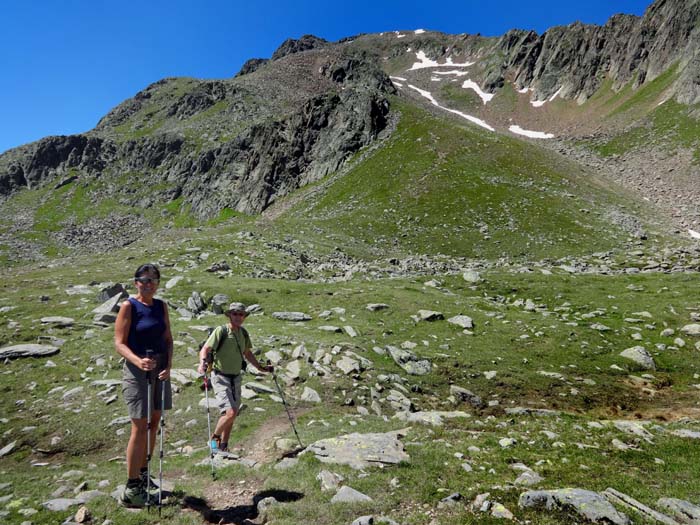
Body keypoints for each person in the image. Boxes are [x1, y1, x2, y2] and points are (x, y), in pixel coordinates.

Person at [114, 263, 173, 508]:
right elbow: (119, 342)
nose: (148, 284)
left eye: (153, 280)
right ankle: (131, 487)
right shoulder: (129, 306)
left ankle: (144, 472)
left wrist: (168, 366)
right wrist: (139, 361)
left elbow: (168, 338)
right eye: (144, 280)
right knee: (139, 425)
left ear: (158, 283)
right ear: (136, 282)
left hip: (159, 369)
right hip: (137, 371)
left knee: (155, 420)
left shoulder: (161, 306)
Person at [198, 302, 273, 452]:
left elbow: (247, 353)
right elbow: (206, 348)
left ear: (244, 316)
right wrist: (202, 364)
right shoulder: (222, 331)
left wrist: (260, 368)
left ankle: (224, 446)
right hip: (220, 376)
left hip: (236, 377)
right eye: (235, 313)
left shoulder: (243, 333)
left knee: (233, 413)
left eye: (241, 314)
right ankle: (214, 441)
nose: (238, 317)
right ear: (229, 315)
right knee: (230, 412)